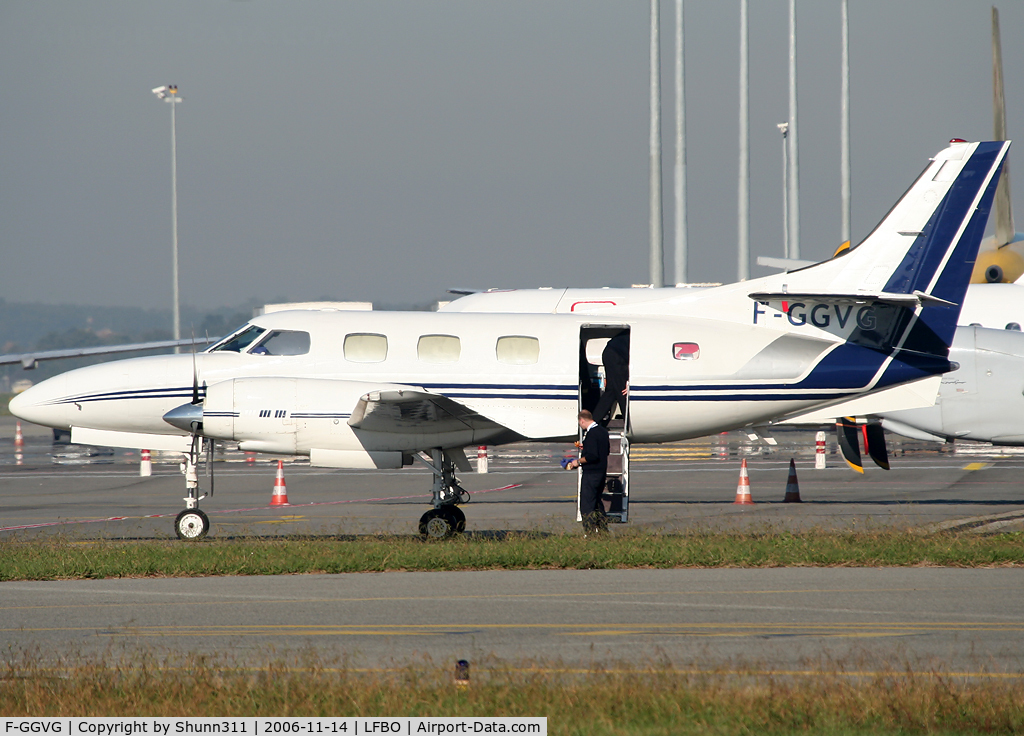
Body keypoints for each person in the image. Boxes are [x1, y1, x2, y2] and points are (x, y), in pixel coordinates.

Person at [565, 409, 610, 534]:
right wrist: (585, 447)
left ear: (582, 420)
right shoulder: (602, 431)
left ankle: (589, 532)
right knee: (597, 502)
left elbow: (592, 456)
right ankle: (603, 531)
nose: (580, 426)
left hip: (591, 474)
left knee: (586, 505)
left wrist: (577, 462)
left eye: (580, 423)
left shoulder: (591, 434)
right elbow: (604, 451)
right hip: (601, 472)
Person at [592, 332, 629, 427]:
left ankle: (594, 422)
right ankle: (628, 424)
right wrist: (629, 381)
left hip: (610, 353)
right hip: (617, 356)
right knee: (623, 391)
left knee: (611, 390)